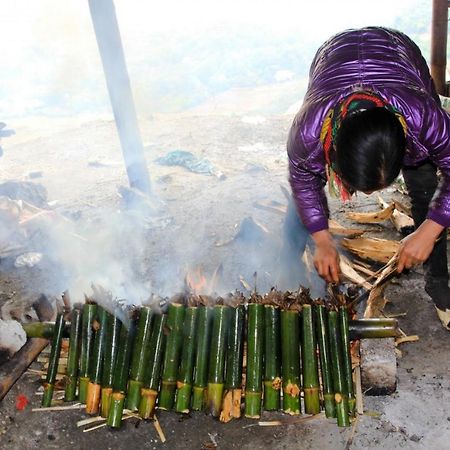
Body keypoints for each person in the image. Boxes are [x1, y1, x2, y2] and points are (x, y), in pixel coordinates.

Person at [285, 26, 450, 330]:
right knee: (305, 190)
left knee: (425, 186)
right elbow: (303, 181)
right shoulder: (310, 131)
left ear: (406, 140)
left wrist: (429, 229)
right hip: (333, 54)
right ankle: (288, 267)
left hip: (398, 51)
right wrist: (322, 240)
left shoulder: (422, 116)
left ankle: (437, 280)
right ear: (334, 155)